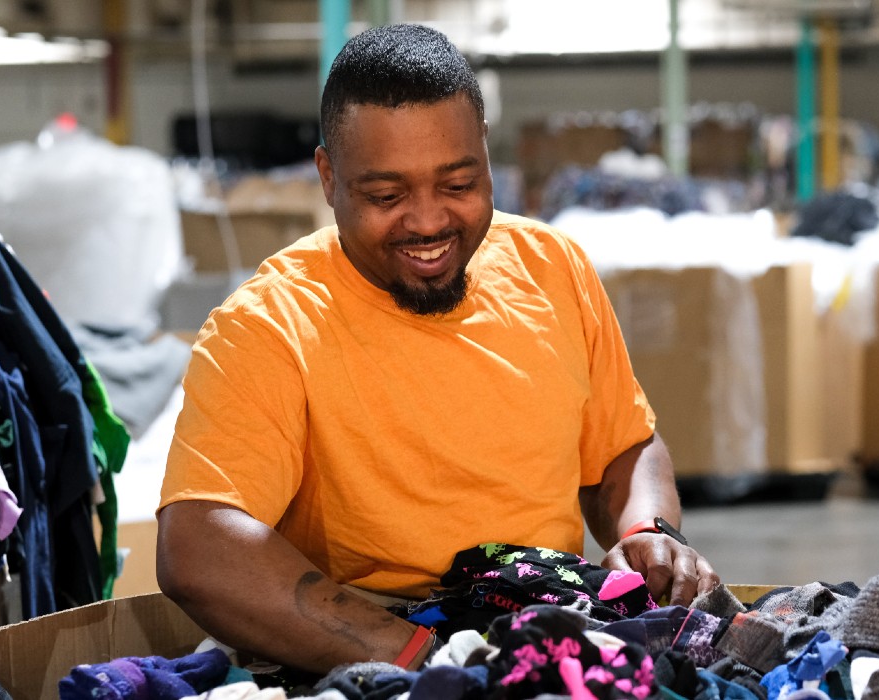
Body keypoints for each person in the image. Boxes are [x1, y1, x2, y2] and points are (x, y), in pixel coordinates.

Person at [156, 23, 720, 676]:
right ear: (328, 176)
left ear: (485, 156)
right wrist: (430, 663)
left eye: (457, 185)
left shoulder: (550, 268)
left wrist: (649, 535)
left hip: (547, 631)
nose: (428, 222)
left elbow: (625, 446)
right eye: (387, 196)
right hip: (375, 649)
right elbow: (199, 546)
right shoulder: (269, 325)